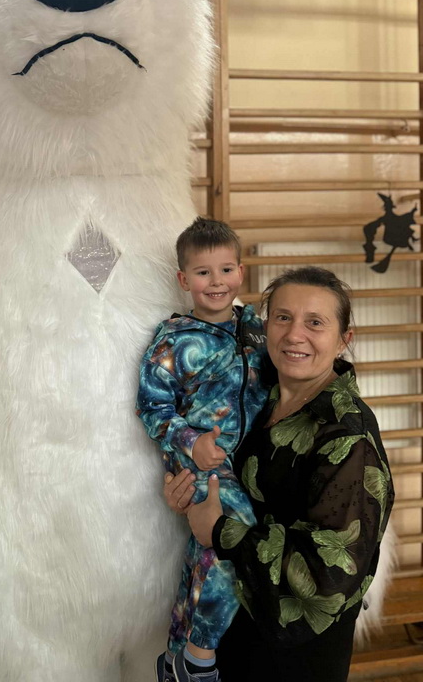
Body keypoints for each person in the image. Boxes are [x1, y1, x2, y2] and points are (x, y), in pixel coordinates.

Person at [166, 266, 394, 682]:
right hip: (231, 630)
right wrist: (188, 490)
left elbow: (326, 579)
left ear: (344, 339)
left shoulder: (348, 436)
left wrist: (219, 531)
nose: (294, 334)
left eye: (315, 323)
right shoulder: (255, 396)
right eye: (283, 317)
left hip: (292, 657)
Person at [136, 217, 270, 682]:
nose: (216, 282)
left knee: (203, 559)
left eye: (226, 269)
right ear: (183, 279)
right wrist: (191, 444)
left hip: (245, 462)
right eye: (203, 272)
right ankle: (198, 658)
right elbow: (151, 407)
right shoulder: (173, 341)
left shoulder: (254, 326)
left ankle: (174, 656)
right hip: (201, 465)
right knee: (232, 538)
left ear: (241, 272)